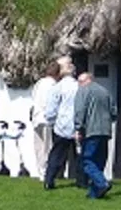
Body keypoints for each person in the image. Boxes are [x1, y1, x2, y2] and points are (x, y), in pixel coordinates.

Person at [74, 72, 116, 199]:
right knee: (99, 162)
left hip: (91, 131)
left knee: (87, 160)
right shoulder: (105, 91)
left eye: (80, 82)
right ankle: (94, 193)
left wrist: (78, 129)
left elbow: (80, 111)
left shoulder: (83, 91)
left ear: (86, 81)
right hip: (105, 131)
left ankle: (102, 182)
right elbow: (114, 112)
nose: (79, 85)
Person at [43, 57, 83, 190]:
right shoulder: (80, 86)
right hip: (78, 125)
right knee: (79, 155)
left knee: (57, 154)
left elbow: (50, 110)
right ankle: (81, 181)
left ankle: (49, 179)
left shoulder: (57, 88)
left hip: (61, 126)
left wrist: (52, 121)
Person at [32, 62, 62, 181]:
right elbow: (51, 104)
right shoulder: (54, 85)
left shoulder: (39, 83)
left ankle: (40, 172)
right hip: (47, 119)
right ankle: (46, 173)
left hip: (36, 118)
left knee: (39, 147)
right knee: (48, 147)